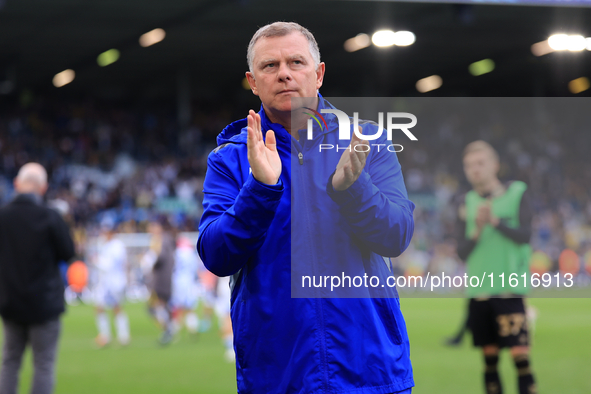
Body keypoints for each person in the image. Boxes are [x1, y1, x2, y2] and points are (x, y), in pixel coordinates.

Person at [197, 22, 415, 393]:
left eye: (296, 62)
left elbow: (396, 236)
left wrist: (353, 188)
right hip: (277, 374)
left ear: (319, 74)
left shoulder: (367, 141)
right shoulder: (231, 157)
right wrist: (260, 190)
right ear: (252, 81)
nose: (284, 73)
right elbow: (216, 256)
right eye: (270, 66)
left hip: (370, 370)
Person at [456, 140, 536, 394]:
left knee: (520, 358)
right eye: (469, 165)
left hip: (509, 289)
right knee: (489, 361)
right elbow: (461, 253)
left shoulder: (517, 193)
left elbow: (526, 235)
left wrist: (495, 222)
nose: (474, 170)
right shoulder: (466, 203)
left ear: (495, 165)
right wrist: (478, 229)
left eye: (480, 163)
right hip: (479, 291)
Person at [0, 162, 75, 394]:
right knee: (43, 365)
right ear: (43, 188)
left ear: (16, 184)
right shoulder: (50, 217)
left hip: (10, 302)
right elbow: (68, 253)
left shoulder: (3, 216)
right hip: (44, 303)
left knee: (10, 362)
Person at [92, 221, 130, 347]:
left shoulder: (116, 246)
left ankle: (123, 336)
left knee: (116, 307)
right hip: (107, 282)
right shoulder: (108, 245)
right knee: (100, 307)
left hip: (115, 281)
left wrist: (96, 261)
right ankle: (106, 336)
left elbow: (109, 266)